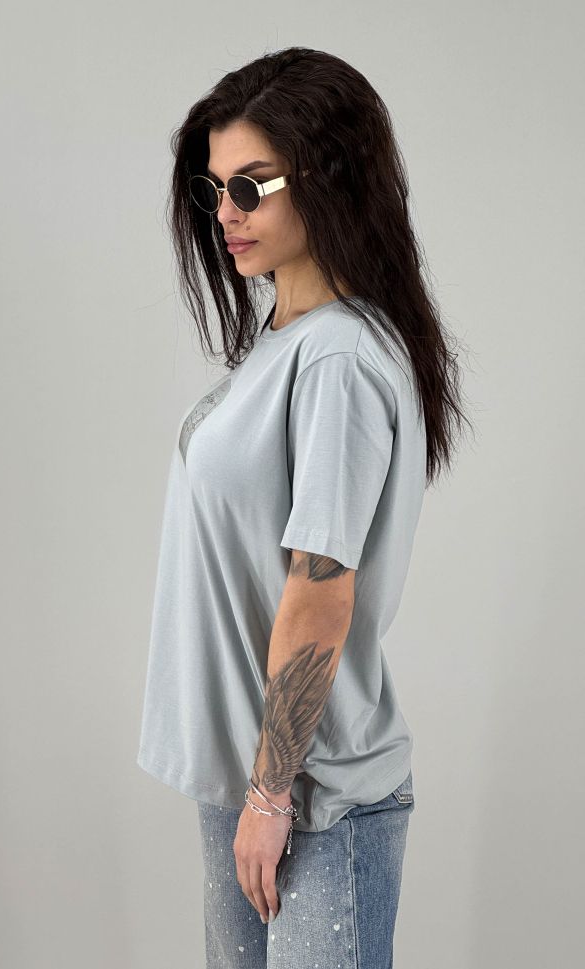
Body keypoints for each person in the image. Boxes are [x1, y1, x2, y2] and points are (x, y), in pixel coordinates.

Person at [137, 46, 472, 968]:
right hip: (252, 778)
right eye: (215, 190)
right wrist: (251, 791)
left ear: (325, 177)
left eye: (251, 186)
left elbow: (321, 590)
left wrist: (271, 796)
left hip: (311, 794)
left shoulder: (339, 360)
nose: (226, 214)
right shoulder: (286, 339)